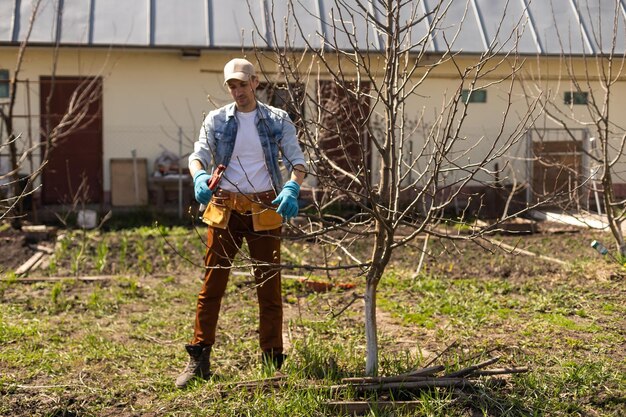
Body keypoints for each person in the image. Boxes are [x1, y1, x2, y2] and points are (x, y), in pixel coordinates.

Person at [175, 58, 307, 389]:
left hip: (265, 207)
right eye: (232, 86)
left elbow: (297, 160)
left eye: (242, 84)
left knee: (269, 285)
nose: (238, 91)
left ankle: (272, 360)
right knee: (212, 283)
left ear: (255, 82)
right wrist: (200, 176)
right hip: (225, 208)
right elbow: (197, 155)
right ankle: (200, 357)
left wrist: (292, 185)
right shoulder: (216, 119)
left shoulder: (276, 119)